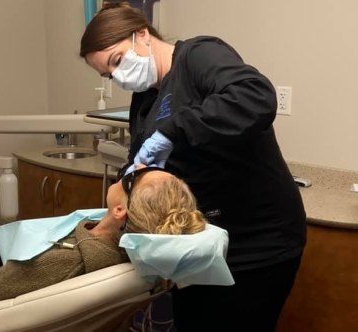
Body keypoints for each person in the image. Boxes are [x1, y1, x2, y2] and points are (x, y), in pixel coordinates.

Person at [80, 3, 306, 331]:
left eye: (116, 61)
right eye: (108, 74)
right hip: (199, 244)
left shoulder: (198, 56)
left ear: (141, 34)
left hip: (258, 242)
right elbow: (141, 157)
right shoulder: (144, 98)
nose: (117, 77)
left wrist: (174, 131)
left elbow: (255, 98)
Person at [0, 166, 206, 313]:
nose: (125, 174)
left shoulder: (65, 263)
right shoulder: (122, 233)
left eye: (131, 178)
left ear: (120, 210)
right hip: (29, 243)